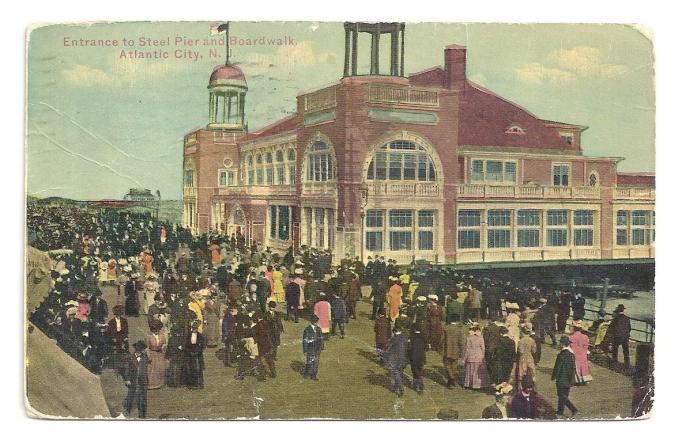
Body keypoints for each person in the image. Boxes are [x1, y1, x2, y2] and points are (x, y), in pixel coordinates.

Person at [551, 335, 578, 417]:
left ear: (562, 344)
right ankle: (560, 411)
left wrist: (554, 376)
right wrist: (572, 379)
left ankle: (573, 409)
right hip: (569, 378)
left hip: (561, 378)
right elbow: (573, 368)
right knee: (564, 395)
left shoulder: (561, 354)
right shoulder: (571, 354)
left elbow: (557, 367)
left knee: (561, 396)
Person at [124, 340, 149, 418]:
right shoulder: (130, 357)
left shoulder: (145, 357)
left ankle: (142, 415)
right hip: (133, 380)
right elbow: (127, 369)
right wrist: (127, 379)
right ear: (138, 350)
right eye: (143, 349)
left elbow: (145, 368)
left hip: (143, 380)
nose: (144, 351)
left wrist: (146, 378)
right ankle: (128, 409)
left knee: (143, 398)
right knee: (132, 395)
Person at [442, 313, 467, 388]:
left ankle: (451, 378)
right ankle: (451, 378)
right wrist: (462, 352)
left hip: (447, 349)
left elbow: (442, 339)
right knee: (454, 365)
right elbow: (461, 342)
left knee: (447, 364)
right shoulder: (459, 330)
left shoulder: (445, 328)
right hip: (456, 350)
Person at [384, 325, 409, 396]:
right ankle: (396, 385)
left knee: (396, 373)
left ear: (394, 332)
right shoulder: (405, 337)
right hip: (404, 358)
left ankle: (401, 388)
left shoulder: (393, 339)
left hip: (396, 359)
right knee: (400, 372)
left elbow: (387, 347)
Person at [463, 324, 489, 390]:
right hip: (479, 355)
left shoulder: (469, 337)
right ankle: (478, 384)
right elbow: (483, 348)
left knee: (470, 370)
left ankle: (469, 384)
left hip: (471, 355)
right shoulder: (480, 337)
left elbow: (467, 348)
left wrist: (465, 357)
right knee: (478, 370)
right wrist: (483, 355)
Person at [182, 320, 205, 389]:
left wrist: (197, 351)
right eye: (193, 328)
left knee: (198, 369)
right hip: (190, 355)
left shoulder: (200, 336)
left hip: (197, 355)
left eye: (196, 328)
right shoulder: (188, 336)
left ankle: (199, 384)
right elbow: (186, 345)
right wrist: (189, 352)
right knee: (190, 369)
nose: (194, 329)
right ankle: (191, 384)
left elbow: (202, 345)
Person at [302, 314, 324, 380]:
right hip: (310, 348)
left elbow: (321, 338)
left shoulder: (319, 329)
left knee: (316, 362)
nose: (317, 323)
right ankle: (307, 373)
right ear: (312, 322)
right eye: (316, 322)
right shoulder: (307, 330)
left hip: (317, 348)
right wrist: (305, 350)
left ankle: (314, 375)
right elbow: (305, 340)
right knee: (309, 361)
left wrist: (322, 346)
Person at [254, 313, 276, 379]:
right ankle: (273, 373)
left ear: (257, 318)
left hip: (262, 345)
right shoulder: (267, 323)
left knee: (262, 359)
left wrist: (256, 340)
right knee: (270, 359)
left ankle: (265, 374)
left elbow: (259, 336)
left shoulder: (258, 325)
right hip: (269, 344)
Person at [408, 326, 427, 394]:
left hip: (414, 357)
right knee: (419, 369)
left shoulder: (411, 337)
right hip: (421, 357)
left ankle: (419, 384)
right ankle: (416, 383)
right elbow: (426, 347)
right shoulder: (423, 337)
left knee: (415, 371)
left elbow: (409, 348)